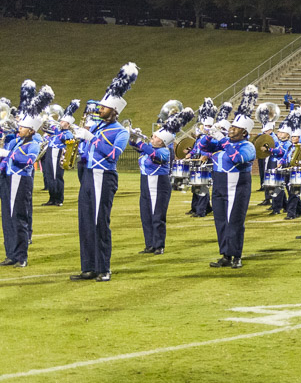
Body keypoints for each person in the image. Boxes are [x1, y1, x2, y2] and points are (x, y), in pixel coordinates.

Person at [69, 63, 138, 281]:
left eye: (104, 107)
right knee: (86, 222)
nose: (100, 109)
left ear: (115, 110)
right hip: (89, 175)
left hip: (103, 176)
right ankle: (88, 267)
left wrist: (90, 138)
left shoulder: (120, 132)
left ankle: (104, 268)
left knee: (100, 222)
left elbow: (112, 155)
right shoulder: (97, 127)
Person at [201, 86, 259, 269]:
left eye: (235, 128)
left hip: (238, 186)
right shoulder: (222, 142)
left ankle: (236, 255)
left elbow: (238, 159)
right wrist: (209, 133)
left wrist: (223, 140)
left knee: (234, 221)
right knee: (220, 220)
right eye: (232, 126)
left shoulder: (248, 146)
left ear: (244, 132)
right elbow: (203, 147)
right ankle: (225, 254)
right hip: (219, 184)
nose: (231, 129)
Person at [2, 82, 52, 268]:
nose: (19, 129)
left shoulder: (32, 144)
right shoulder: (18, 141)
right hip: (10, 180)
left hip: (21, 182)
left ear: (31, 130)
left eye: (22, 127)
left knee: (19, 219)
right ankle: (11, 254)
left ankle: (21, 256)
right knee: (9, 218)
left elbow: (28, 160)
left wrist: (7, 154)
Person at [134, 106, 194, 255]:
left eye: (155, 137)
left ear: (162, 142)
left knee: (157, 215)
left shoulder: (164, 151)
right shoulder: (150, 147)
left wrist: (140, 143)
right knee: (146, 215)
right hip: (146, 184)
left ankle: (159, 245)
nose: (151, 138)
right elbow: (135, 145)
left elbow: (155, 156)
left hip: (159, 185)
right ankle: (149, 244)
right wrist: (133, 137)